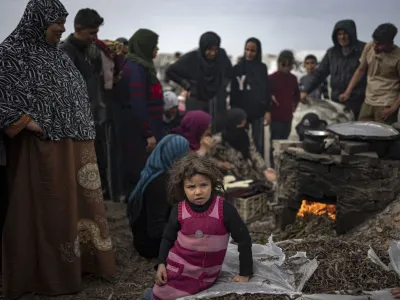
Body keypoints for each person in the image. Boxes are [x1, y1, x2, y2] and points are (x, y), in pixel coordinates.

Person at [0, 0, 116, 298]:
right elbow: (3, 97)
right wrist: (27, 123)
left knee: (76, 207)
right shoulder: (11, 53)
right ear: (39, 22)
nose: (63, 30)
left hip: (74, 144)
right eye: (58, 24)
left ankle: (81, 265)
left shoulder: (54, 55)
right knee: (51, 209)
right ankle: (50, 277)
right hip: (42, 150)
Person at [143, 155, 253, 300]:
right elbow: (168, 238)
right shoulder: (179, 210)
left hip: (207, 273)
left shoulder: (224, 209)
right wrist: (161, 264)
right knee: (160, 294)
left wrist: (245, 274)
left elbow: (244, 240)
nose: (198, 192)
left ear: (212, 184)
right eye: (191, 187)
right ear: (182, 188)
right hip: (179, 266)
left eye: (203, 185)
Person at [59, 9, 110, 196]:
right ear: (78, 29)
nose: (95, 37)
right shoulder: (66, 52)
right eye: (92, 33)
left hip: (94, 121)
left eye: (97, 33)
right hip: (78, 126)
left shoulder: (90, 51)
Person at [117, 28, 164, 196]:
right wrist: (148, 134)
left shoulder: (141, 66)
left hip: (144, 127)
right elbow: (138, 104)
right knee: (141, 171)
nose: (156, 50)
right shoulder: (136, 69)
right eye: (154, 46)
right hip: (139, 132)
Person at [127, 135, 190, 259]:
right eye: (185, 154)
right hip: (151, 245)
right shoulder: (160, 184)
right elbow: (156, 229)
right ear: (177, 156)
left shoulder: (157, 172)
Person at [166, 31, 232, 133]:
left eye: (215, 49)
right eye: (209, 49)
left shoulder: (222, 56)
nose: (213, 53)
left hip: (217, 102)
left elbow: (229, 72)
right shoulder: (192, 58)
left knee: (217, 135)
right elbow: (170, 71)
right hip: (198, 101)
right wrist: (188, 86)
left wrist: (221, 86)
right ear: (203, 47)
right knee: (197, 133)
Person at [300, 19, 367, 120]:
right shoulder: (332, 53)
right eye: (339, 34)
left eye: (345, 33)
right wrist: (306, 91)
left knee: (359, 132)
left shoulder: (364, 50)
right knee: (339, 132)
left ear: (352, 34)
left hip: (359, 102)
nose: (342, 37)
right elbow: (320, 73)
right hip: (337, 102)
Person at [339, 23, 400, 125]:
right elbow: (361, 70)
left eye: (379, 44)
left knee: (381, 137)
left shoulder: (398, 57)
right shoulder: (369, 47)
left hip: (386, 104)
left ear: (390, 42)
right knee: (362, 131)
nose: (375, 47)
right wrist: (347, 92)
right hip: (368, 101)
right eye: (374, 42)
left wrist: (393, 108)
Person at [230, 38, 272, 158]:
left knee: (258, 145)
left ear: (258, 52)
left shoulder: (262, 68)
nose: (249, 53)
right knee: (241, 143)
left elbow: (266, 90)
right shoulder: (237, 69)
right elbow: (234, 92)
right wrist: (233, 112)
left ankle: (260, 172)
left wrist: (268, 110)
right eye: (247, 49)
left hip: (257, 113)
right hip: (240, 113)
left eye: (253, 50)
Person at [209, 108, 272, 183]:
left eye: (244, 120)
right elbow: (208, 159)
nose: (244, 123)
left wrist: (264, 169)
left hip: (248, 175)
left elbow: (253, 153)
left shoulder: (245, 135)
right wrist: (221, 165)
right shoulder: (218, 140)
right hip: (229, 178)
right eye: (241, 121)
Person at [269, 50, 300, 168]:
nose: (286, 68)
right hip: (276, 117)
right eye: (283, 64)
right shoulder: (271, 78)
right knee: (274, 144)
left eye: (289, 65)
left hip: (287, 117)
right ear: (279, 63)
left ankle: (282, 167)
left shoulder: (293, 79)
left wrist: (294, 106)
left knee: (285, 143)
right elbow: (266, 96)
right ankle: (273, 167)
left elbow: (297, 95)